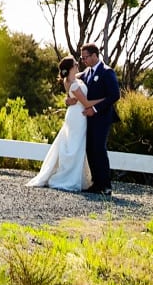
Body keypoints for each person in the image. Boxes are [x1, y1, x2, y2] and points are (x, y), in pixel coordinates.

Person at [26, 55, 102, 191]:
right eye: (76, 63)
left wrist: (67, 100)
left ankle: (73, 175)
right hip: (77, 116)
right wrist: (103, 100)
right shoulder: (72, 84)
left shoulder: (73, 79)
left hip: (76, 114)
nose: (78, 64)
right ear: (72, 67)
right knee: (74, 146)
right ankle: (67, 177)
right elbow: (86, 103)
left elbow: (71, 96)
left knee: (74, 145)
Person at [70, 43, 121, 195]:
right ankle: (96, 183)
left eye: (86, 57)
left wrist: (95, 109)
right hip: (88, 118)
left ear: (94, 56)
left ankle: (106, 185)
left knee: (99, 148)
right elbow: (73, 80)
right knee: (90, 148)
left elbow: (115, 95)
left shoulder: (107, 72)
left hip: (102, 117)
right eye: (82, 57)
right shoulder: (87, 72)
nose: (84, 60)